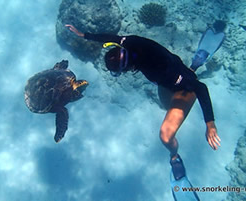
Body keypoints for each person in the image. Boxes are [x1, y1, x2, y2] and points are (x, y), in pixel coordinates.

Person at [65, 24, 221, 180]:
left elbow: (200, 88)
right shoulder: (129, 44)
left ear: (125, 68)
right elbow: (111, 38)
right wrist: (84, 35)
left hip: (184, 88)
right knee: (167, 106)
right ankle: (194, 64)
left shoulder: (158, 68)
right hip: (170, 79)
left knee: (166, 135)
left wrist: (210, 123)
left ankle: (174, 157)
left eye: (119, 72)